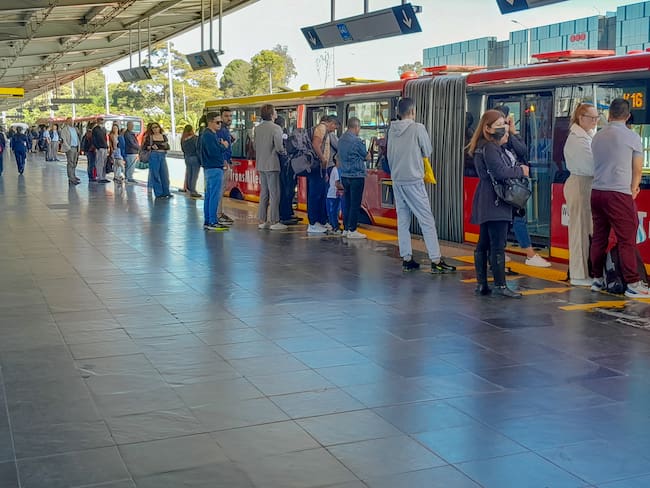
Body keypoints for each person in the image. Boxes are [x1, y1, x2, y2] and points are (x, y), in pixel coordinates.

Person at [387, 98, 456, 274]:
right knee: (427, 220)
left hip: (397, 180)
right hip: (413, 180)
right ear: (413, 111)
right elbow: (427, 151)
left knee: (403, 221)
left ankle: (407, 258)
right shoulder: (418, 128)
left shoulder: (391, 130)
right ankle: (436, 260)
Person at [590, 98, 648, 298]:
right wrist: (633, 189)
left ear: (609, 114)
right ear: (628, 115)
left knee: (599, 236)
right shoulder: (631, 137)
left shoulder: (597, 136)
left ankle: (597, 279)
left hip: (597, 191)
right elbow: (638, 168)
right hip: (618, 193)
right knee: (626, 239)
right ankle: (633, 283)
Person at [468, 109, 530, 298]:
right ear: (487, 128)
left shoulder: (484, 145)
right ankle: (500, 286)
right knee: (497, 244)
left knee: (484, 242)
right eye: (499, 125)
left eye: (504, 124)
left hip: (487, 198)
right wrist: (521, 171)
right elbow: (500, 172)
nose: (503, 128)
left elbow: (522, 151)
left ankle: (482, 284)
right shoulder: (490, 148)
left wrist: (512, 133)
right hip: (496, 199)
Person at [494, 105, 551, 268]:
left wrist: (513, 132)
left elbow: (523, 150)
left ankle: (499, 251)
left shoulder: (507, 136)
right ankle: (529, 254)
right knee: (517, 219)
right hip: (506, 187)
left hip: (512, 187)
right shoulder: (494, 143)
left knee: (513, 219)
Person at [563, 103, 599, 287]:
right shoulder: (577, 139)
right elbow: (591, 165)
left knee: (587, 230)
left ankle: (585, 270)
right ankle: (578, 274)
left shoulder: (588, 135)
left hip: (586, 184)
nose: (595, 121)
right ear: (581, 118)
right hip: (580, 183)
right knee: (579, 231)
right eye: (592, 118)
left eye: (597, 117)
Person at [254, 104, 287, 231]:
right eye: (275, 111)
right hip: (272, 164)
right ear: (272, 114)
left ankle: (262, 220)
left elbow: (255, 146)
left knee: (264, 193)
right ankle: (274, 220)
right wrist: (285, 152)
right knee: (275, 193)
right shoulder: (276, 128)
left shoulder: (258, 128)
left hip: (261, 164)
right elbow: (279, 148)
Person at [338, 117, 369, 239]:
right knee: (355, 204)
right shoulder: (357, 141)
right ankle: (352, 229)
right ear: (356, 127)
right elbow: (366, 157)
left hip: (344, 176)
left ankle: (346, 228)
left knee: (347, 202)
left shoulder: (341, 140)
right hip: (356, 176)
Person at [308, 115, 339, 233]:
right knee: (315, 195)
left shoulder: (325, 130)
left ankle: (319, 222)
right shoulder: (321, 128)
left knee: (320, 194)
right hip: (317, 166)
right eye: (335, 126)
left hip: (321, 168)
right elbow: (315, 144)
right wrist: (322, 159)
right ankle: (312, 223)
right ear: (331, 123)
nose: (334, 129)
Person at [200, 112, 230, 230]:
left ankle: (208, 220)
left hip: (209, 168)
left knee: (209, 195)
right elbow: (214, 151)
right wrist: (224, 146)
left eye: (220, 122)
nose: (220, 125)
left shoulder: (207, 134)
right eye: (218, 122)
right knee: (214, 195)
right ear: (210, 122)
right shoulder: (209, 135)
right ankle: (212, 221)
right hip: (214, 168)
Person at [275, 116, 300, 225]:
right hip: (285, 167)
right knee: (287, 191)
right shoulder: (281, 135)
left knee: (285, 190)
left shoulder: (278, 134)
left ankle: (288, 212)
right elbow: (283, 150)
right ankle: (285, 214)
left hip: (280, 166)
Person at [216, 107, 235, 225]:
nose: (229, 118)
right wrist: (224, 161)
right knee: (219, 190)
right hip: (223, 164)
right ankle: (218, 214)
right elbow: (220, 147)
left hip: (225, 162)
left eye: (230, 116)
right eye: (226, 116)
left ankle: (218, 213)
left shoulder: (225, 130)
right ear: (221, 117)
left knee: (221, 190)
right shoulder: (221, 130)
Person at [143, 122, 172, 198]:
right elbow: (145, 147)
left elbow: (167, 146)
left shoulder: (164, 136)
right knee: (155, 174)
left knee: (164, 174)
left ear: (159, 128)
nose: (155, 129)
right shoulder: (150, 137)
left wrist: (164, 146)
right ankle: (158, 193)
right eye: (153, 128)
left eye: (156, 127)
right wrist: (152, 147)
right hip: (154, 155)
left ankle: (166, 192)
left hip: (162, 155)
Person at [181, 125, 202, 198]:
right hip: (194, 158)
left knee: (189, 174)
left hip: (187, 157)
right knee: (194, 175)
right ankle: (193, 190)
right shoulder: (195, 138)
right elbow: (198, 149)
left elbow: (183, 150)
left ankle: (189, 189)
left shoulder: (183, 139)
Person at [60, 117, 81, 185]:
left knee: (74, 163)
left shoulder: (75, 129)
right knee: (70, 163)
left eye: (72, 121)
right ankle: (71, 178)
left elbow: (78, 137)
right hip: (70, 148)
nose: (72, 122)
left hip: (76, 147)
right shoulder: (65, 129)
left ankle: (73, 175)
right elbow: (63, 139)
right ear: (67, 122)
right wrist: (68, 147)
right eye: (70, 121)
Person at [326, 156, 344, 234]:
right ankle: (335, 227)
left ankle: (334, 226)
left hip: (334, 194)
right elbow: (337, 184)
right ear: (336, 160)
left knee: (334, 212)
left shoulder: (336, 169)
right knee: (334, 212)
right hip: (333, 194)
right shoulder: (336, 170)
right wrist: (346, 188)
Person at [92, 117, 109, 183]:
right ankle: (99, 177)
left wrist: (107, 146)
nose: (102, 121)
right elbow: (94, 139)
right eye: (101, 120)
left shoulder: (104, 129)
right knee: (99, 162)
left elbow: (105, 138)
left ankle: (103, 176)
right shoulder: (95, 129)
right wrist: (97, 147)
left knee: (104, 162)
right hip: (100, 148)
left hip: (104, 147)